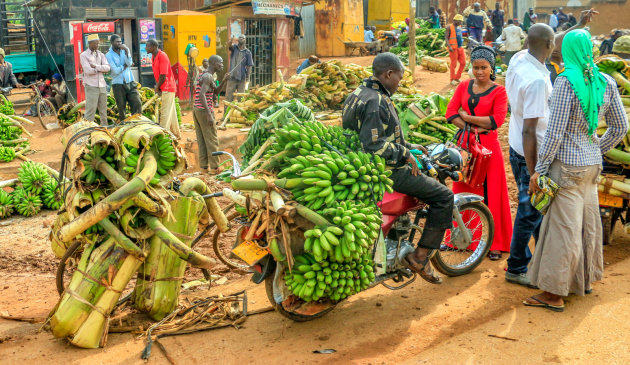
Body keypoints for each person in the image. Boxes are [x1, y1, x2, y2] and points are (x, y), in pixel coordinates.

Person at [525, 30, 628, 312]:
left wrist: (539, 170)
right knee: (586, 225)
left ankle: (554, 294)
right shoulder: (605, 81)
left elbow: (555, 134)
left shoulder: (566, 82)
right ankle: (583, 281)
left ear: (569, 50)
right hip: (592, 165)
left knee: (563, 229)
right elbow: (621, 126)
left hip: (567, 167)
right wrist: (598, 147)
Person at [342, 53, 454, 285]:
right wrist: (404, 154)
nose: (400, 83)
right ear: (388, 74)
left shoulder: (358, 94)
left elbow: (378, 135)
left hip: (356, 166)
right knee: (444, 196)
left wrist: (410, 146)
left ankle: (398, 238)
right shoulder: (377, 102)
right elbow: (373, 146)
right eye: (399, 78)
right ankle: (420, 258)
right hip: (385, 171)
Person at [445, 46, 511, 260]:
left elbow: (496, 121)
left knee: (491, 192)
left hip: (488, 148)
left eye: (484, 67)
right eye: (475, 67)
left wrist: (467, 118)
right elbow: (450, 113)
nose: (479, 71)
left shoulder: (499, 91)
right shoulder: (463, 86)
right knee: (462, 189)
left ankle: (494, 243)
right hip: (466, 145)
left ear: (491, 68)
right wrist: (471, 128)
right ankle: (460, 239)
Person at [504, 24, 556, 287]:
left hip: (516, 148)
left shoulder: (519, 58)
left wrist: (580, 25)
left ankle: (537, 256)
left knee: (537, 210)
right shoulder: (536, 81)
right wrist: (536, 171)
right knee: (529, 211)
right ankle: (516, 266)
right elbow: (529, 129)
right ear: (549, 45)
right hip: (530, 155)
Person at [193, 55, 230, 175]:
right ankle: (215, 167)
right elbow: (201, 95)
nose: (222, 65)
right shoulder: (208, 77)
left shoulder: (206, 75)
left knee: (202, 139)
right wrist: (209, 113)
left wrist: (224, 80)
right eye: (220, 63)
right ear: (214, 63)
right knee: (212, 139)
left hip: (198, 110)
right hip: (204, 111)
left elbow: (215, 92)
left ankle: (204, 167)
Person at [546, 9, 598, 84]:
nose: (555, 49)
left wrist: (580, 24)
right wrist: (580, 25)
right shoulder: (544, 66)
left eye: (562, 45)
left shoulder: (574, 72)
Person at [145, 38, 180, 138]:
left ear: (155, 47)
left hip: (168, 87)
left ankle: (163, 136)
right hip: (164, 86)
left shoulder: (162, 56)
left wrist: (157, 87)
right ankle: (176, 134)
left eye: (148, 46)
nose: (146, 48)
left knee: (165, 113)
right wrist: (159, 87)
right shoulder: (154, 56)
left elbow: (163, 75)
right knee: (171, 112)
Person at [106, 34, 142, 122]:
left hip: (130, 81)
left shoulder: (124, 50)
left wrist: (126, 50)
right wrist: (124, 67)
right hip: (118, 84)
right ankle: (124, 125)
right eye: (117, 42)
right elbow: (115, 71)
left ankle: (137, 122)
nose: (119, 43)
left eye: (120, 42)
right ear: (112, 43)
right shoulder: (108, 55)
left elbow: (129, 63)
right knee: (121, 107)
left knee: (137, 102)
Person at [80, 34, 110, 126]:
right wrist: (100, 69)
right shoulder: (84, 55)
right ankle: (88, 130)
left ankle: (105, 129)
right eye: (95, 43)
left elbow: (108, 68)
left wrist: (96, 67)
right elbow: (88, 70)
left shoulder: (101, 54)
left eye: (98, 43)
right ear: (89, 43)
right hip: (91, 86)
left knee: (103, 111)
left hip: (102, 85)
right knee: (90, 110)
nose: (97, 45)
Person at [225, 35, 254, 107]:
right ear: (238, 40)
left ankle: (239, 115)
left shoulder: (247, 52)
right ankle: (225, 115)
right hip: (232, 77)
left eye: (243, 38)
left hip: (242, 78)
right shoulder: (234, 48)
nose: (241, 39)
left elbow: (249, 66)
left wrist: (248, 77)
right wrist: (231, 40)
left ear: (245, 40)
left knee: (241, 98)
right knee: (229, 97)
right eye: (240, 38)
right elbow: (229, 45)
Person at [446, 14, 466, 85]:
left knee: (463, 63)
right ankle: (452, 79)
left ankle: (457, 77)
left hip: (460, 47)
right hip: (453, 48)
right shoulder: (449, 27)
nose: (460, 23)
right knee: (453, 64)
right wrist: (449, 47)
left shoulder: (459, 27)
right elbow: (446, 38)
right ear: (455, 20)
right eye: (459, 21)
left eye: (461, 21)